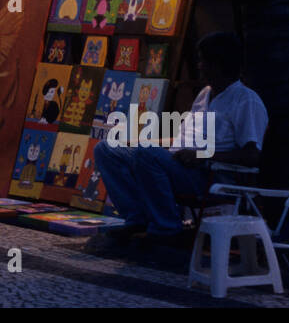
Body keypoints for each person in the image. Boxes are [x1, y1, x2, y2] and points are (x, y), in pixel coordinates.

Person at [93, 32, 267, 244]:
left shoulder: (246, 100)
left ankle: (166, 228)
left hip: (210, 175)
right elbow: (182, 140)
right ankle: (137, 219)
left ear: (219, 65)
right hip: (179, 162)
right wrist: (143, 144)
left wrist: (202, 156)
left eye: (204, 61)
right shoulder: (205, 93)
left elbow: (252, 155)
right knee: (106, 149)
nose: (200, 65)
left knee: (146, 154)